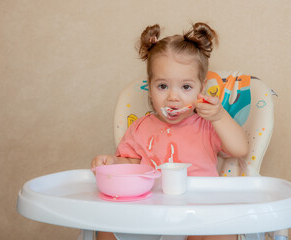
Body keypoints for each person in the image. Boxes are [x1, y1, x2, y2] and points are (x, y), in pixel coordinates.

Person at [91, 22, 248, 240]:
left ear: (200, 89)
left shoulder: (207, 124)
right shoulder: (140, 128)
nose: (173, 97)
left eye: (186, 87)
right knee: (107, 229)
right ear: (150, 86)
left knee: (223, 232)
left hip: (199, 212)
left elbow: (240, 149)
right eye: (163, 86)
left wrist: (220, 117)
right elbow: (132, 166)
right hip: (150, 214)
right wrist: (112, 163)